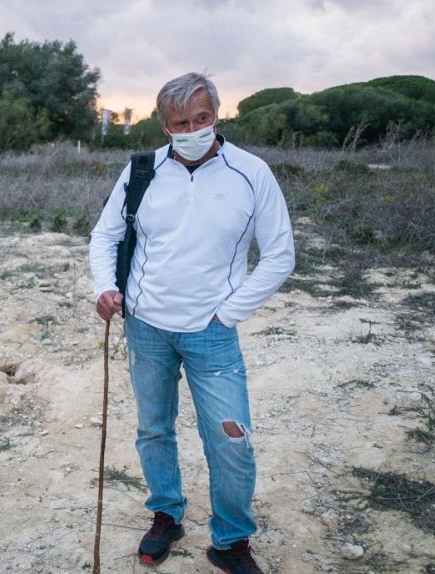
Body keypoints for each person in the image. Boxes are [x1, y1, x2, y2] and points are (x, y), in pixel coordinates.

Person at [88, 73, 294, 574]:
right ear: (165, 126)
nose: (193, 129)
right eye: (181, 122)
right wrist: (104, 287)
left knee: (229, 439)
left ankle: (232, 541)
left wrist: (228, 312)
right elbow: (104, 235)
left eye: (202, 118)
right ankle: (166, 514)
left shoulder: (251, 172)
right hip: (146, 326)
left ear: (216, 115)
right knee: (154, 429)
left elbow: (280, 255)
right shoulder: (141, 172)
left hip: (213, 333)